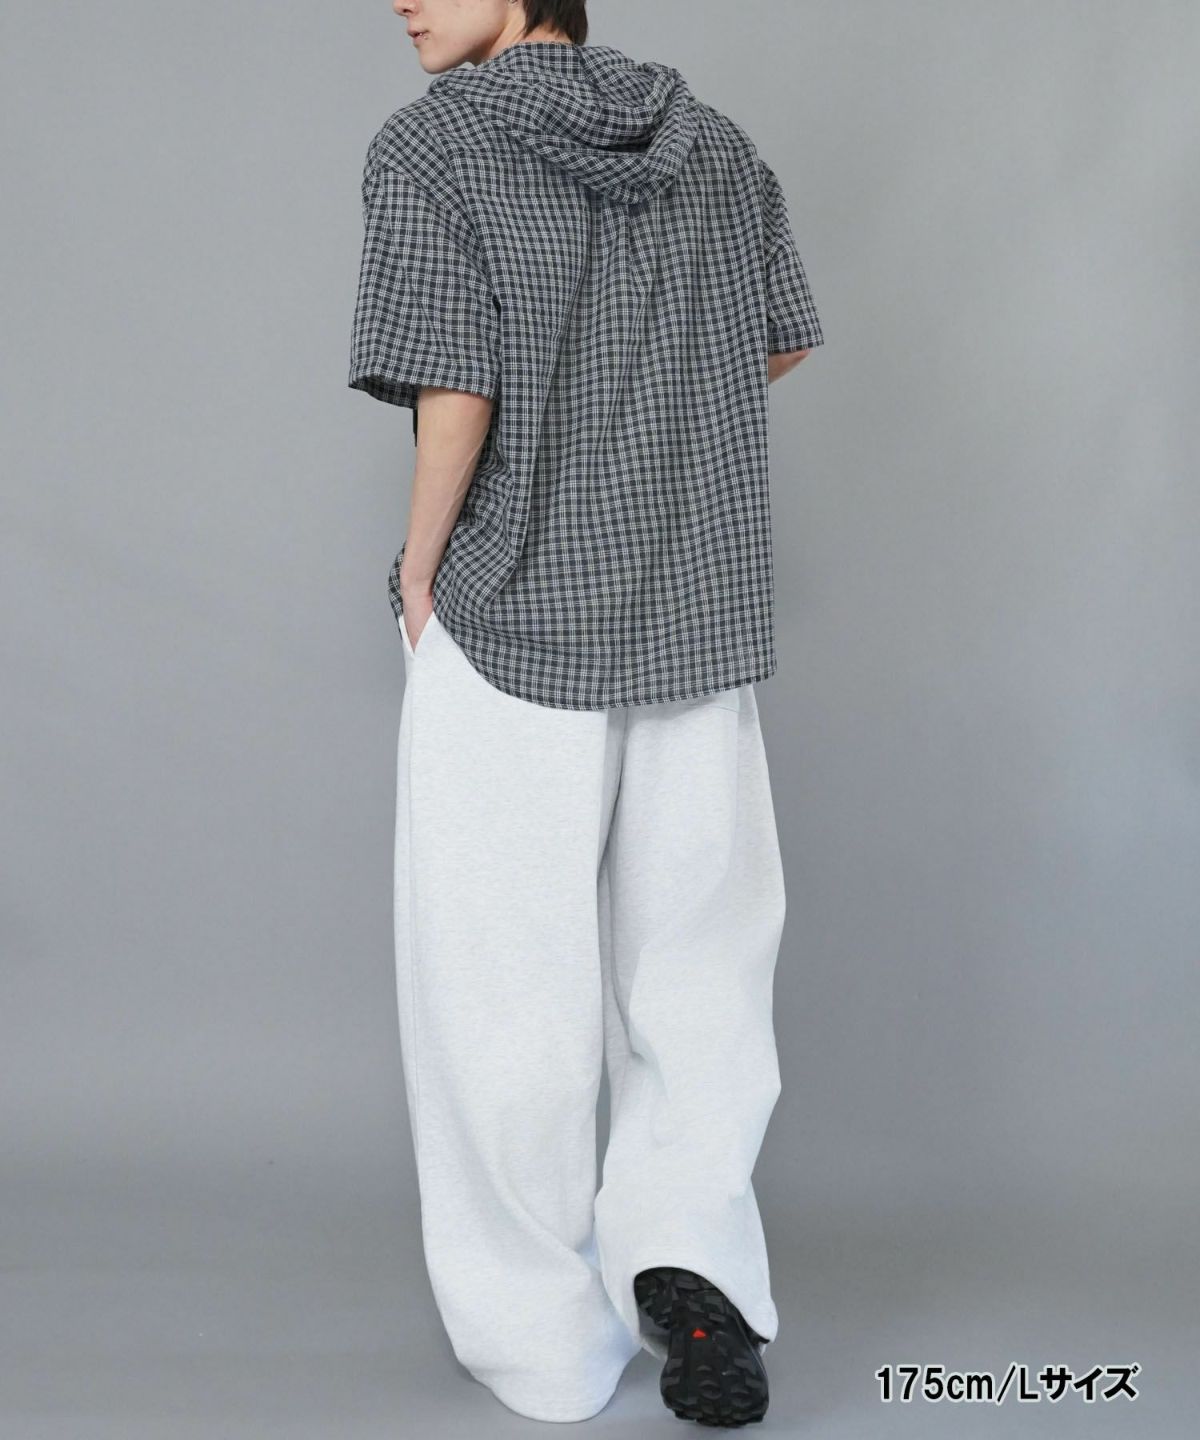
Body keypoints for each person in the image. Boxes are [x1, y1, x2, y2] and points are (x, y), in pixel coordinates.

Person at [348, 0, 823, 1426]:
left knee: (502, 986)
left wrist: (420, 567)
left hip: (512, 617)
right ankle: (692, 1270)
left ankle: (544, 1345)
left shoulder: (433, 148)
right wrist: (652, 423)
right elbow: (775, 344)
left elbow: (457, 384)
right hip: (695, 605)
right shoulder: (715, 145)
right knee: (699, 969)